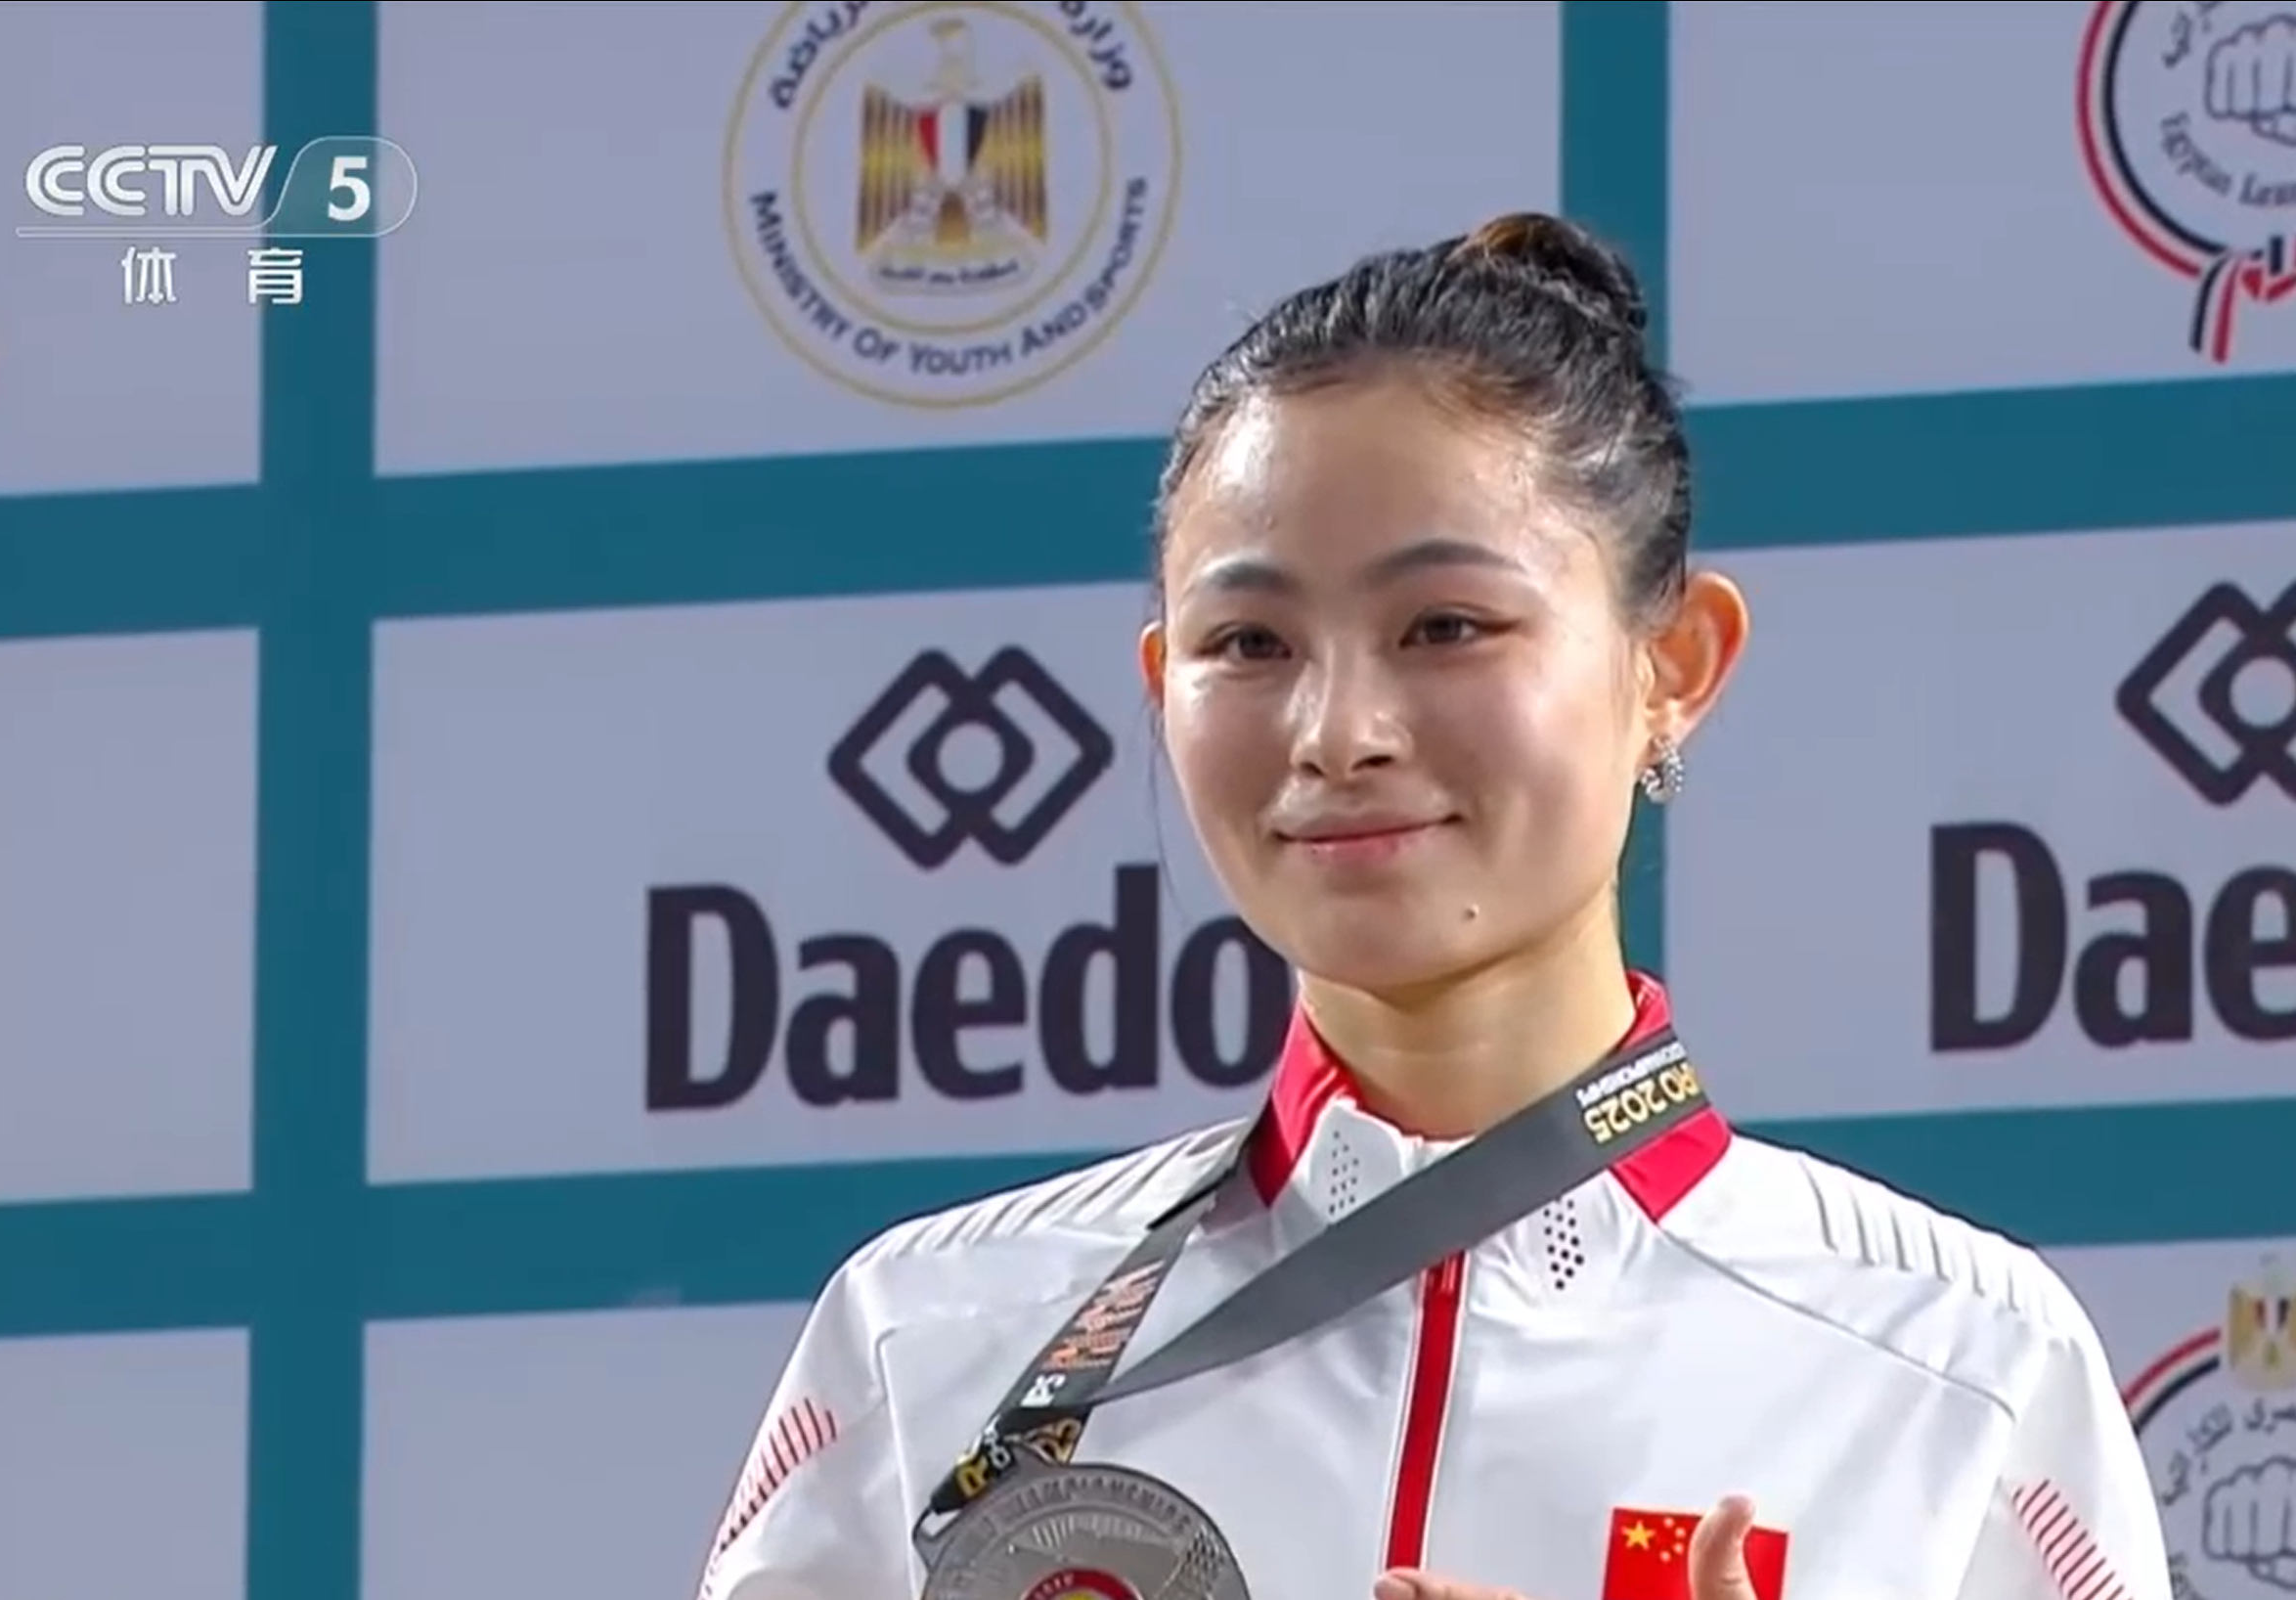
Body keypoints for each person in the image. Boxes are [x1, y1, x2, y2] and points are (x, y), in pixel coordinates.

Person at [696, 211, 2171, 1600]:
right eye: (1250, 641)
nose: (1339, 730)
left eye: (1447, 626)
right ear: (1163, 689)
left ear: (1674, 666)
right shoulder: (929, 1338)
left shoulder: (1962, 1361)